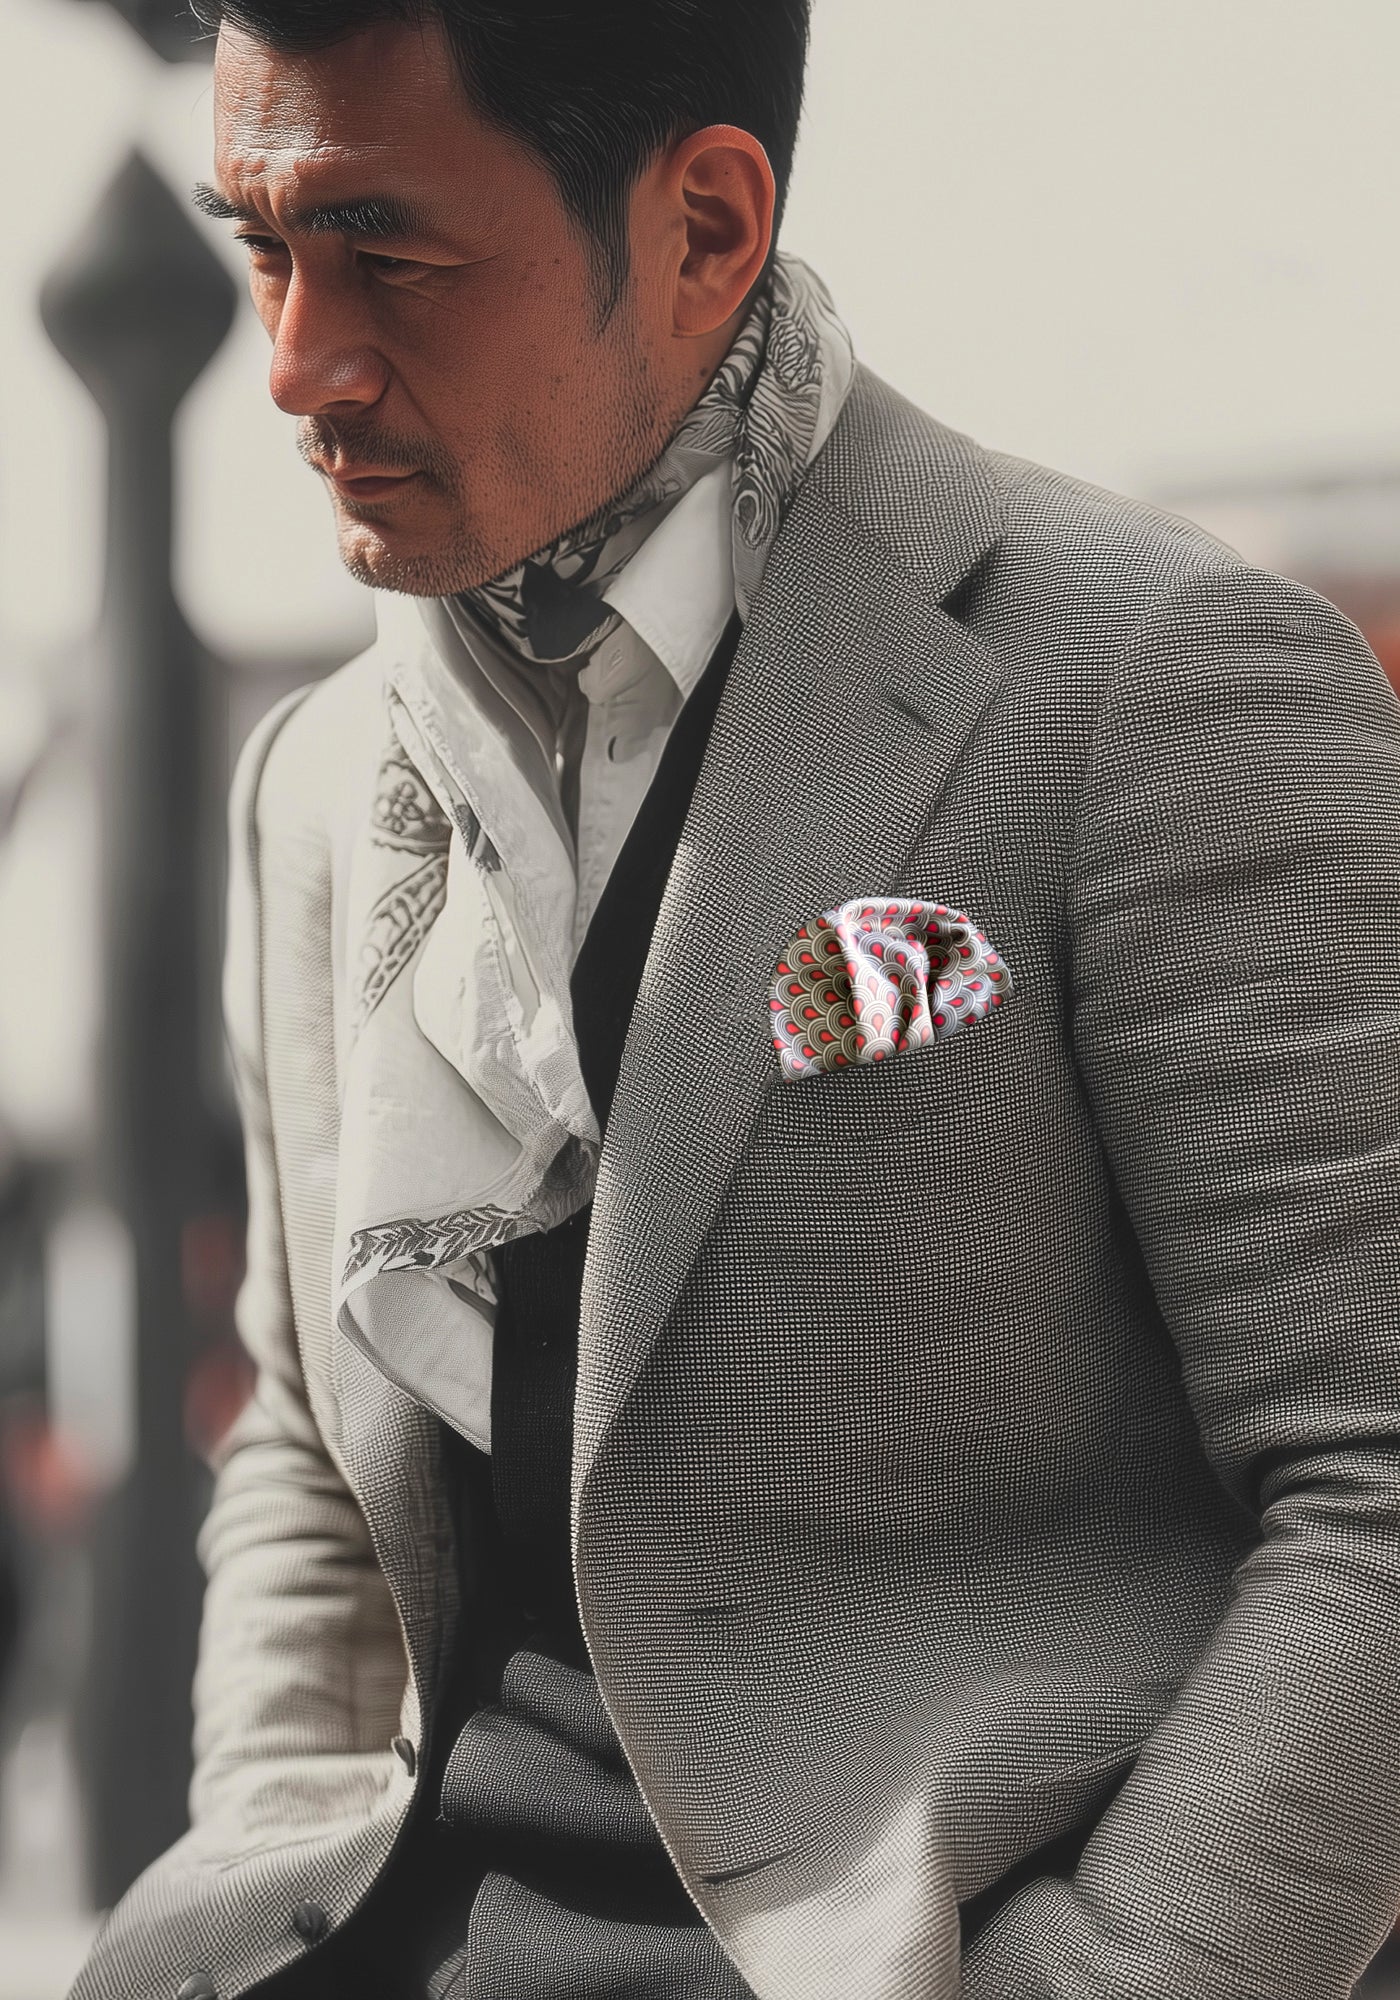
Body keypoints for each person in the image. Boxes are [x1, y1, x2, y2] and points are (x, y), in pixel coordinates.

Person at [69, 3, 1400, 1997]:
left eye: (392, 256)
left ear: (703, 225)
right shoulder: (323, 784)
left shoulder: (1144, 682)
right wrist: (256, 1876)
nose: (300, 365)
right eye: (262, 249)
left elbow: (1372, 1470)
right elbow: (306, 1457)